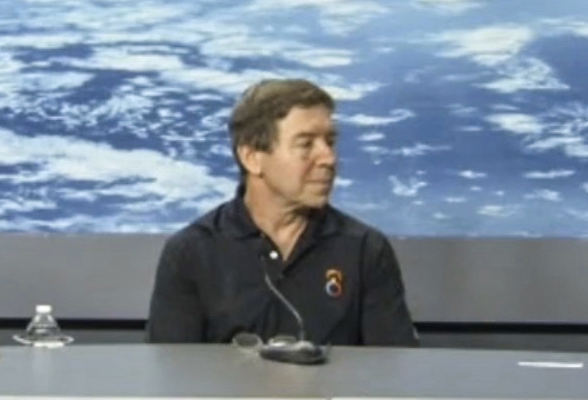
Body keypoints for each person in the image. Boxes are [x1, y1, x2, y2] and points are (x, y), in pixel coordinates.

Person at [147, 78, 418, 347]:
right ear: (252, 157)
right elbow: (172, 379)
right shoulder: (192, 252)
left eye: (330, 142)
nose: (328, 158)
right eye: (306, 144)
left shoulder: (364, 250)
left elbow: (393, 378)